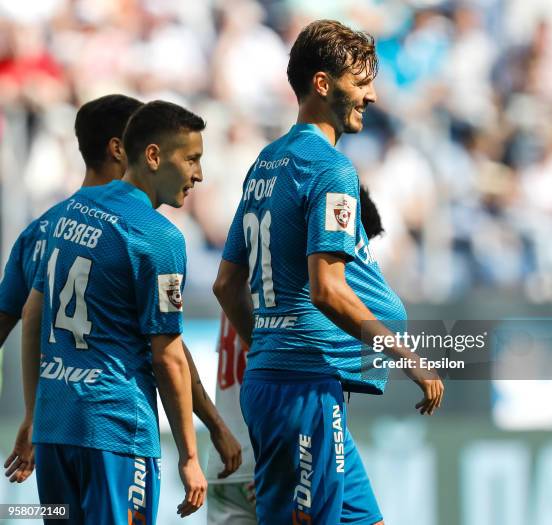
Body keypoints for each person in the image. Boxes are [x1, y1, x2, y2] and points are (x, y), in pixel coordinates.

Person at [214, 19, 444, 525]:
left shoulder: (265, 163)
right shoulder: (331, 168)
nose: (373, 96)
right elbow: (328, 290)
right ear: (323, 84)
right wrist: (410, 358)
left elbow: (227, 284)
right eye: (361, 84)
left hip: (289, 382)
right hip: (305, 387)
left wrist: (269, 347)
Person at [5, 100, 213, 524]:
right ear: (142, 152)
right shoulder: (157, 236)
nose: (199, 174)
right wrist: (191, 455)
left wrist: (34, 413)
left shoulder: (58, 220)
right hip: (116, 429)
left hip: (56, 428)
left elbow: (32, 313)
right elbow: (166, 352)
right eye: (191, 159)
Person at [207, 185, 386, 525]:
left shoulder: (254, 277)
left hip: (235, 457)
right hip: (261, 455)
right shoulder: (296, 301)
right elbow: (273, 376)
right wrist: (270, 465)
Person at [0, 95, 143, 349]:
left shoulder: (37, 230)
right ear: (118, 149)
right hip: (116, 386)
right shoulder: (136, 232)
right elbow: (165, 351)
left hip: (50, 386)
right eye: (144, 143)